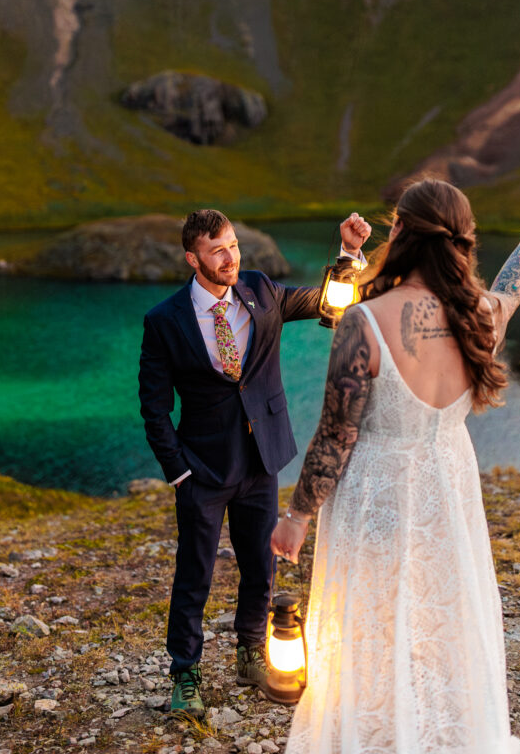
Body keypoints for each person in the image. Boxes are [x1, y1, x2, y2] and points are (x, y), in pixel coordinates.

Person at [271, 178, 520, 754]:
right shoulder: (480, 315)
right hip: (447, 487)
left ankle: (379, 733)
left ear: (400, 230)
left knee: (371, 620)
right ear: (461, 241)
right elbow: (510, 293)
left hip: (375, 493)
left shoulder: (364, 321)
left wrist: (297, 516)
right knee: (440, 617)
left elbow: (336, 435)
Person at [139, 207, 371, 719]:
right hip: (201, 469)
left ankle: (249, 654)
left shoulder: (262, 290)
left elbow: (329, 304)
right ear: (193, 258)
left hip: (262, 461)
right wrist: (178, 470)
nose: (230, 258)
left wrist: (349, 253)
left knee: (260, 568)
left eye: (233, 245)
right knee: (194, 575)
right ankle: (185, 674)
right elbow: (154, 408)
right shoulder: (164, 320)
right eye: (217, 251)